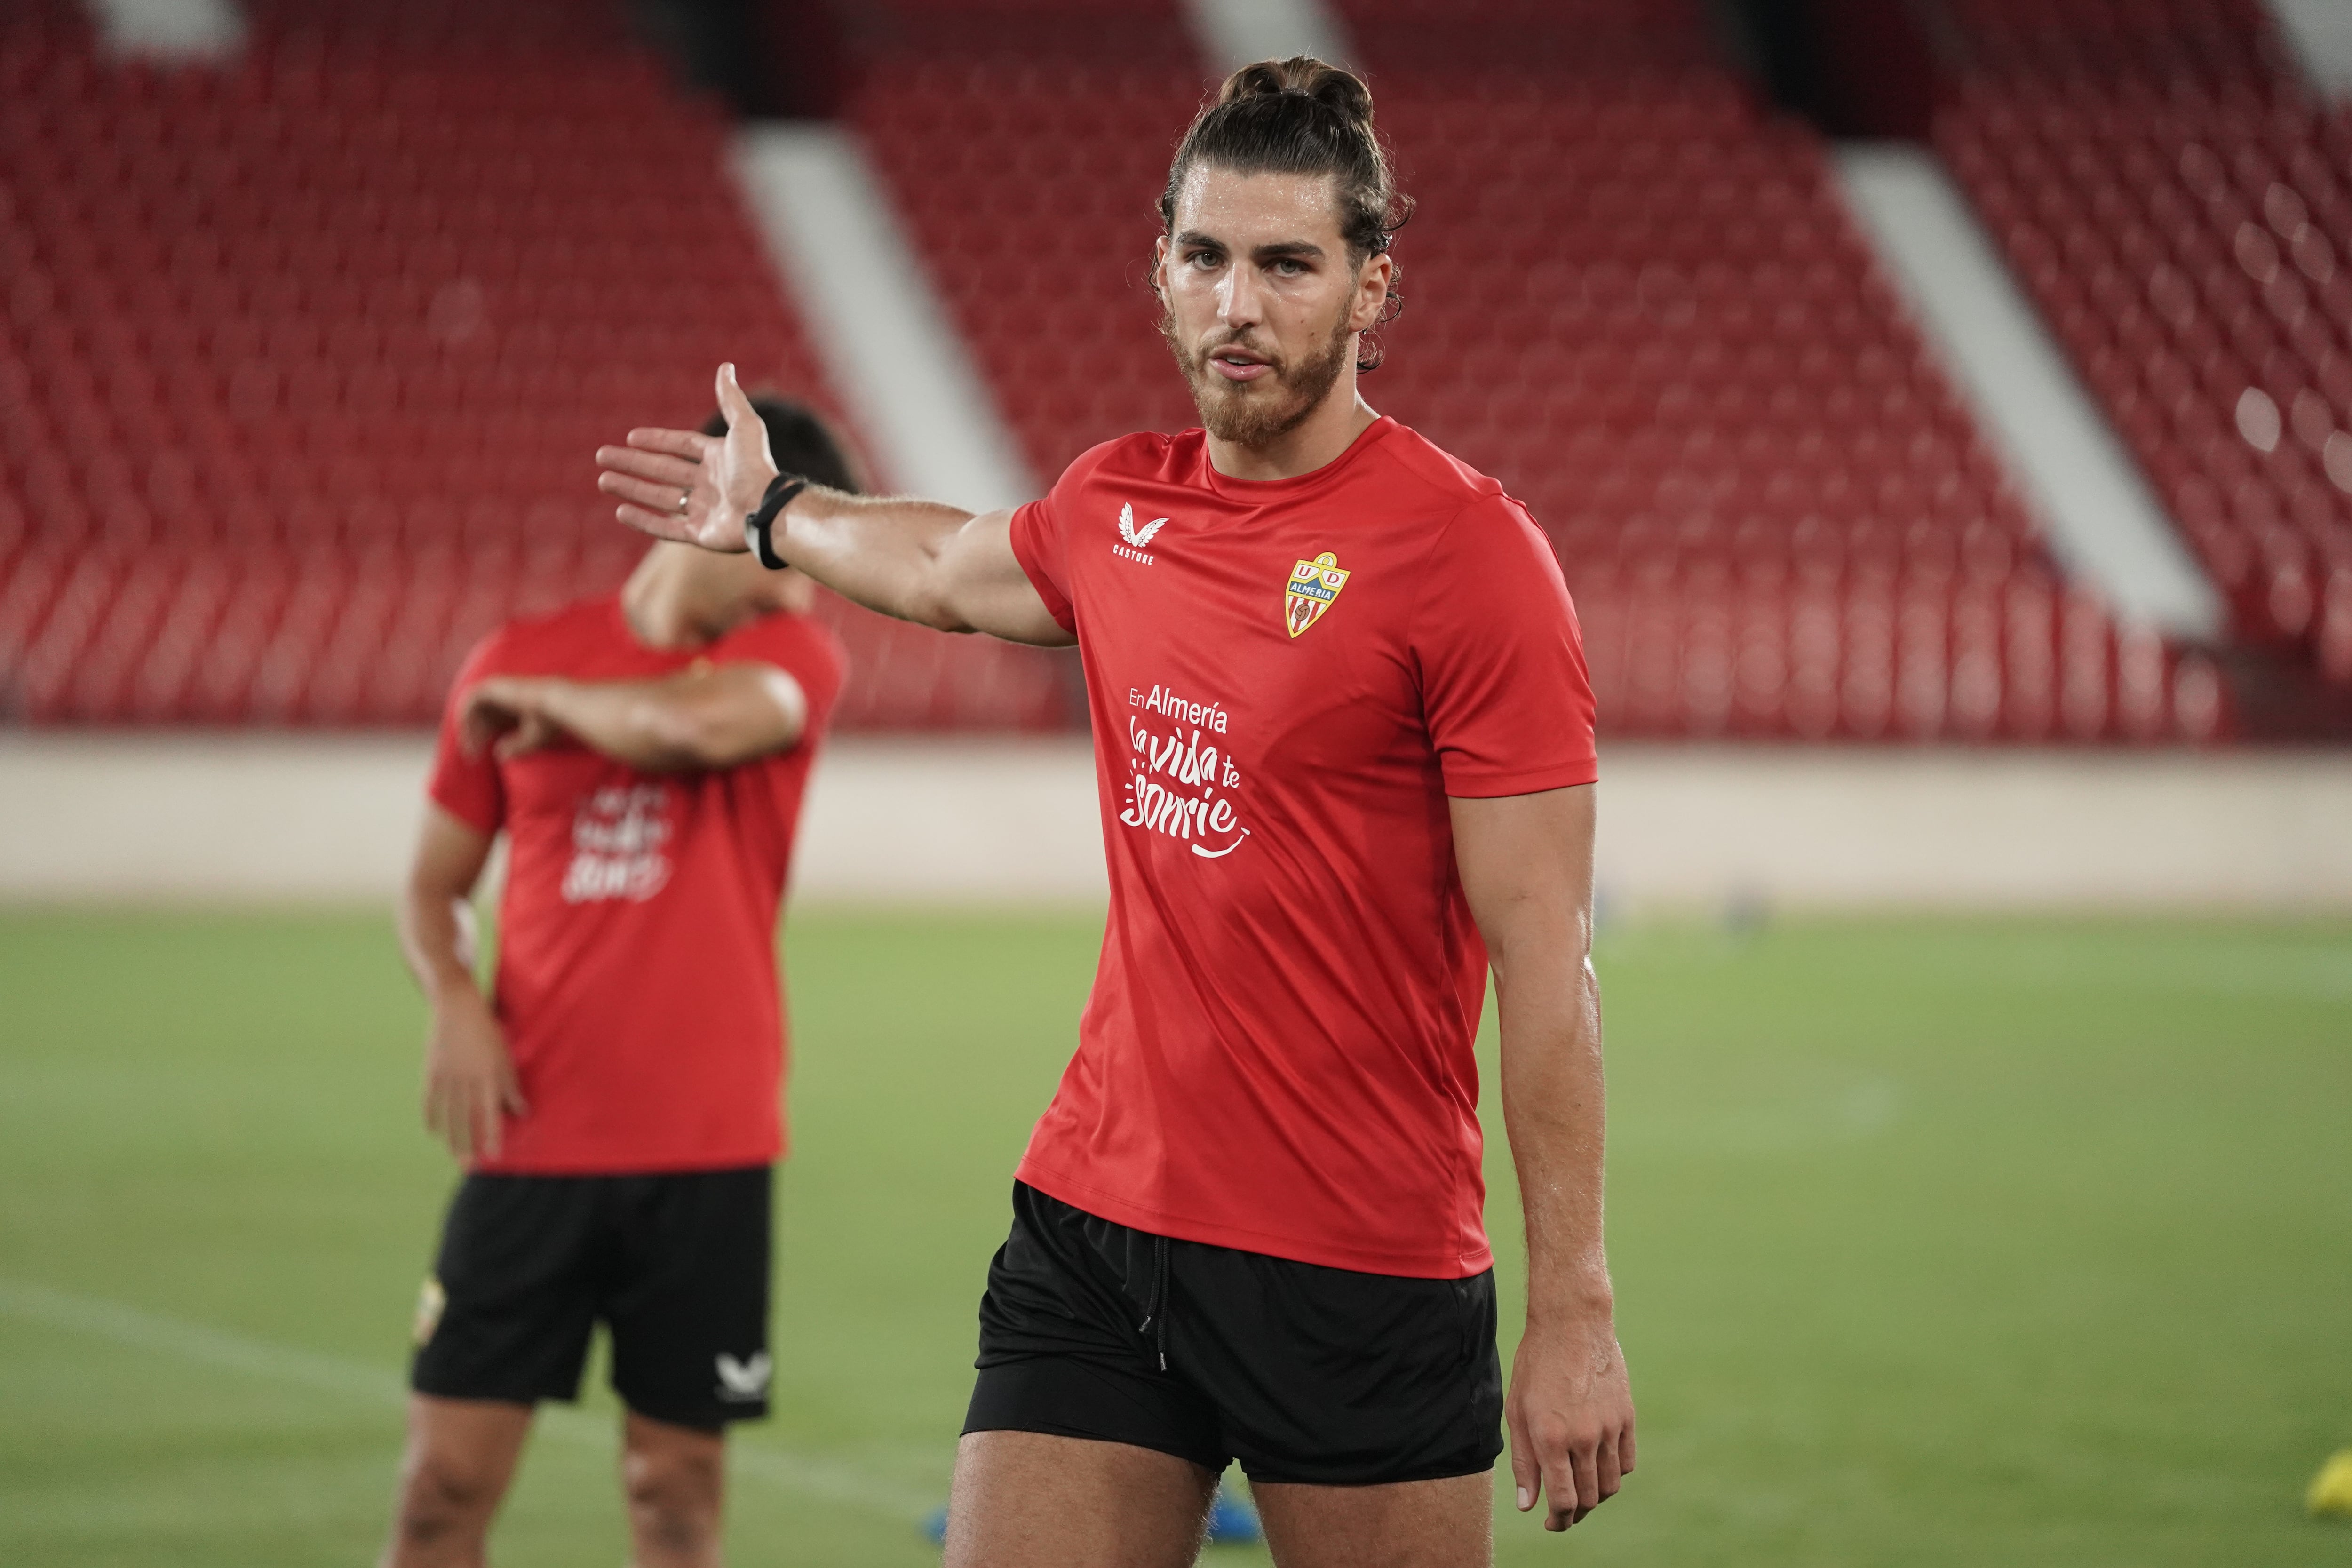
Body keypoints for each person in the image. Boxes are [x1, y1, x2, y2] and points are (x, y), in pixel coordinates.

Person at [597, 58, 1635, 1568]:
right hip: (1098, 1226)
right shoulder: (1116, 507)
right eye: (1206, 256)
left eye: (1288, 264)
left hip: (1355, 1258)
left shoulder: (1468, 555)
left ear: (1370, 287)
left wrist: (1577, 1302)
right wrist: (771, 515)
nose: (1238, 304)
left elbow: (1547, 951)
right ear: (1161, 262)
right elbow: (947, 566)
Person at [384, 399, 853, 1568]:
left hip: (706, 1143)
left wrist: (544, 711)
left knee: (675, 1494)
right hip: (529, 1136)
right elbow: (431, 888)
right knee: (441, 1488)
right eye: (789, 533)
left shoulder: (793, 653)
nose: (811, 572)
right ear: (721, 509)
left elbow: (686, 732)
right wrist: (452, 994)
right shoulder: (514, 652)